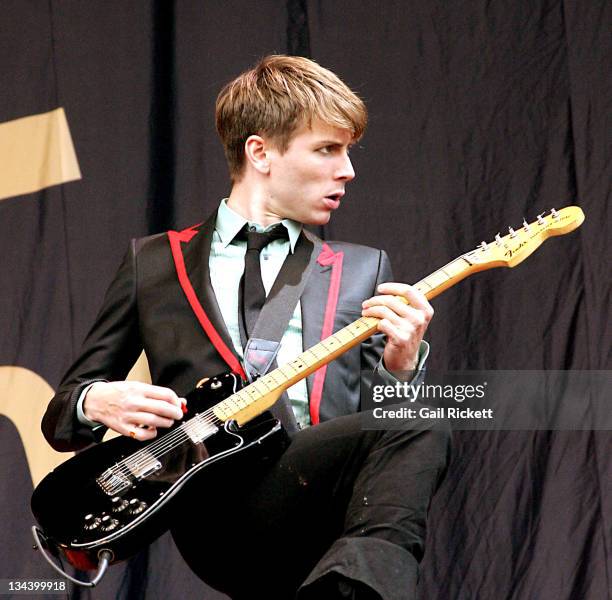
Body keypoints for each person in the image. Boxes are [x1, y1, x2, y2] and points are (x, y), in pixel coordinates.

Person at [42, 55, 450, 600]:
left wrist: (402, 369)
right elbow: (61, 416)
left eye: (347, 151)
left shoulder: (363, 267)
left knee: (424, 416)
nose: (347, 169)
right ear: (259, 152)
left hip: (319, 514)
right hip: (214, 514)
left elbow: (385, 432)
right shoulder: (154, 262)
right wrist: (96, 401)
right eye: (327, 149)